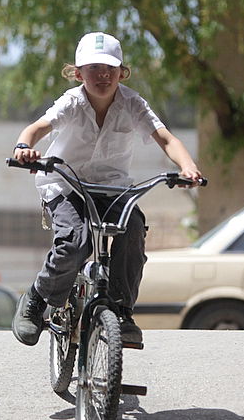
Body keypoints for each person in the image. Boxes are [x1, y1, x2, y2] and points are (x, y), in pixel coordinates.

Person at [11, 31, 203, 347]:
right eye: (94, 68)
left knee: (133, 229)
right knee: (76, 242)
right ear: (77, 73)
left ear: (121, 73)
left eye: (110, 69)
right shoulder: (71, 103)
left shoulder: (133, 104)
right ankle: (36, 298)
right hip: (66, 184)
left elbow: (167, 139)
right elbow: (36, 129)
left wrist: (188, 167)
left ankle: (121, 311)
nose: (103, 75)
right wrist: (23, 147)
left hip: (112, 189)